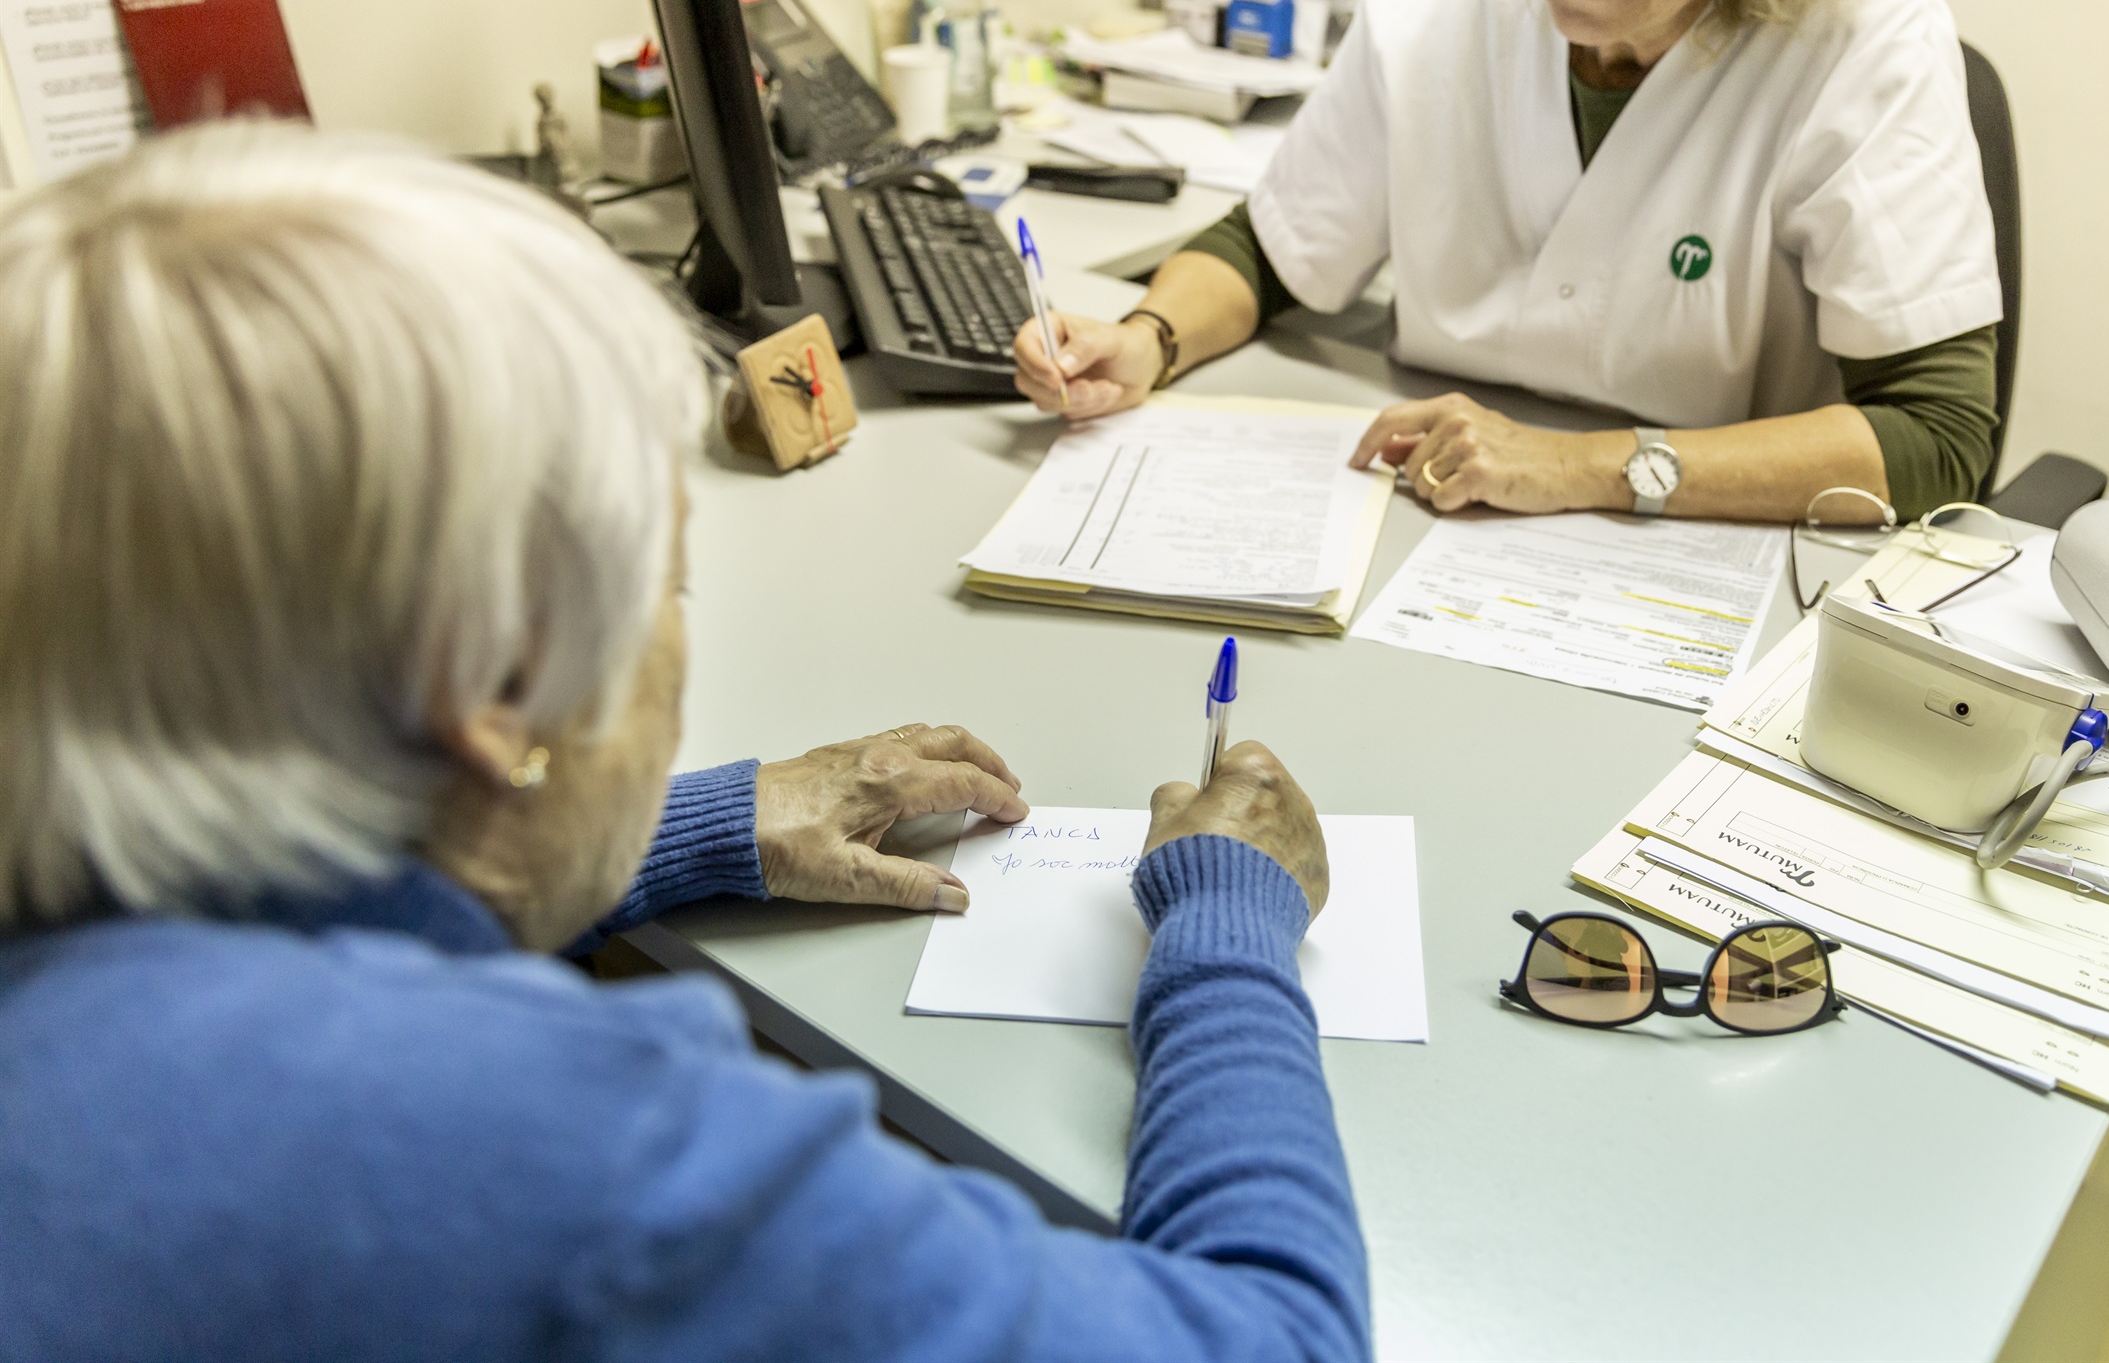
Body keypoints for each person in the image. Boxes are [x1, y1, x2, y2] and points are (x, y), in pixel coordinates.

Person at [0, 125, 1368, 1362]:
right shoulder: (560, 1145)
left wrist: (684, 826)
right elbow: (1274, 1342)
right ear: (506, 684)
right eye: (669, 579)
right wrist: (1228, 932)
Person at [1018, 0, 1999, 524]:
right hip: (1433, 517)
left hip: (1716, 556)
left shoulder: (1861, 47)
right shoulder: (1429, 18)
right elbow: (1268, 249)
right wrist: (1145, 339)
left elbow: (1936, 436)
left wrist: (1578, 466)